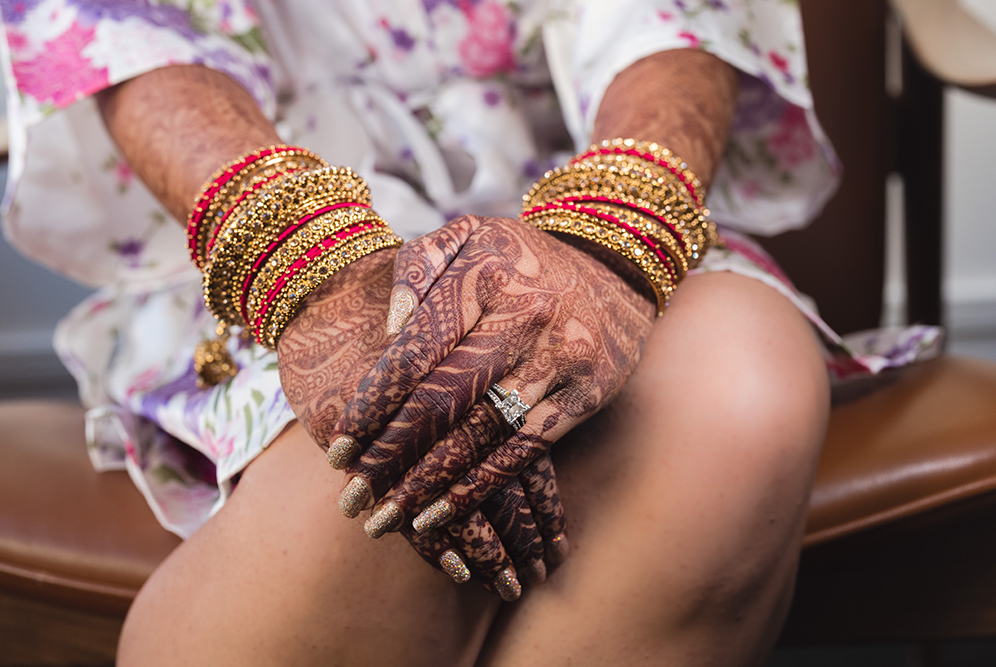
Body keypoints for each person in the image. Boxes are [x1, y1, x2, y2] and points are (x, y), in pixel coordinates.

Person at [0, 1, 941, 664]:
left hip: (590, 179)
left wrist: (609, 235)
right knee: (391, 433)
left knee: (740, 387)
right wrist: (307, 260)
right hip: (261, 201)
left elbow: (675, 17)